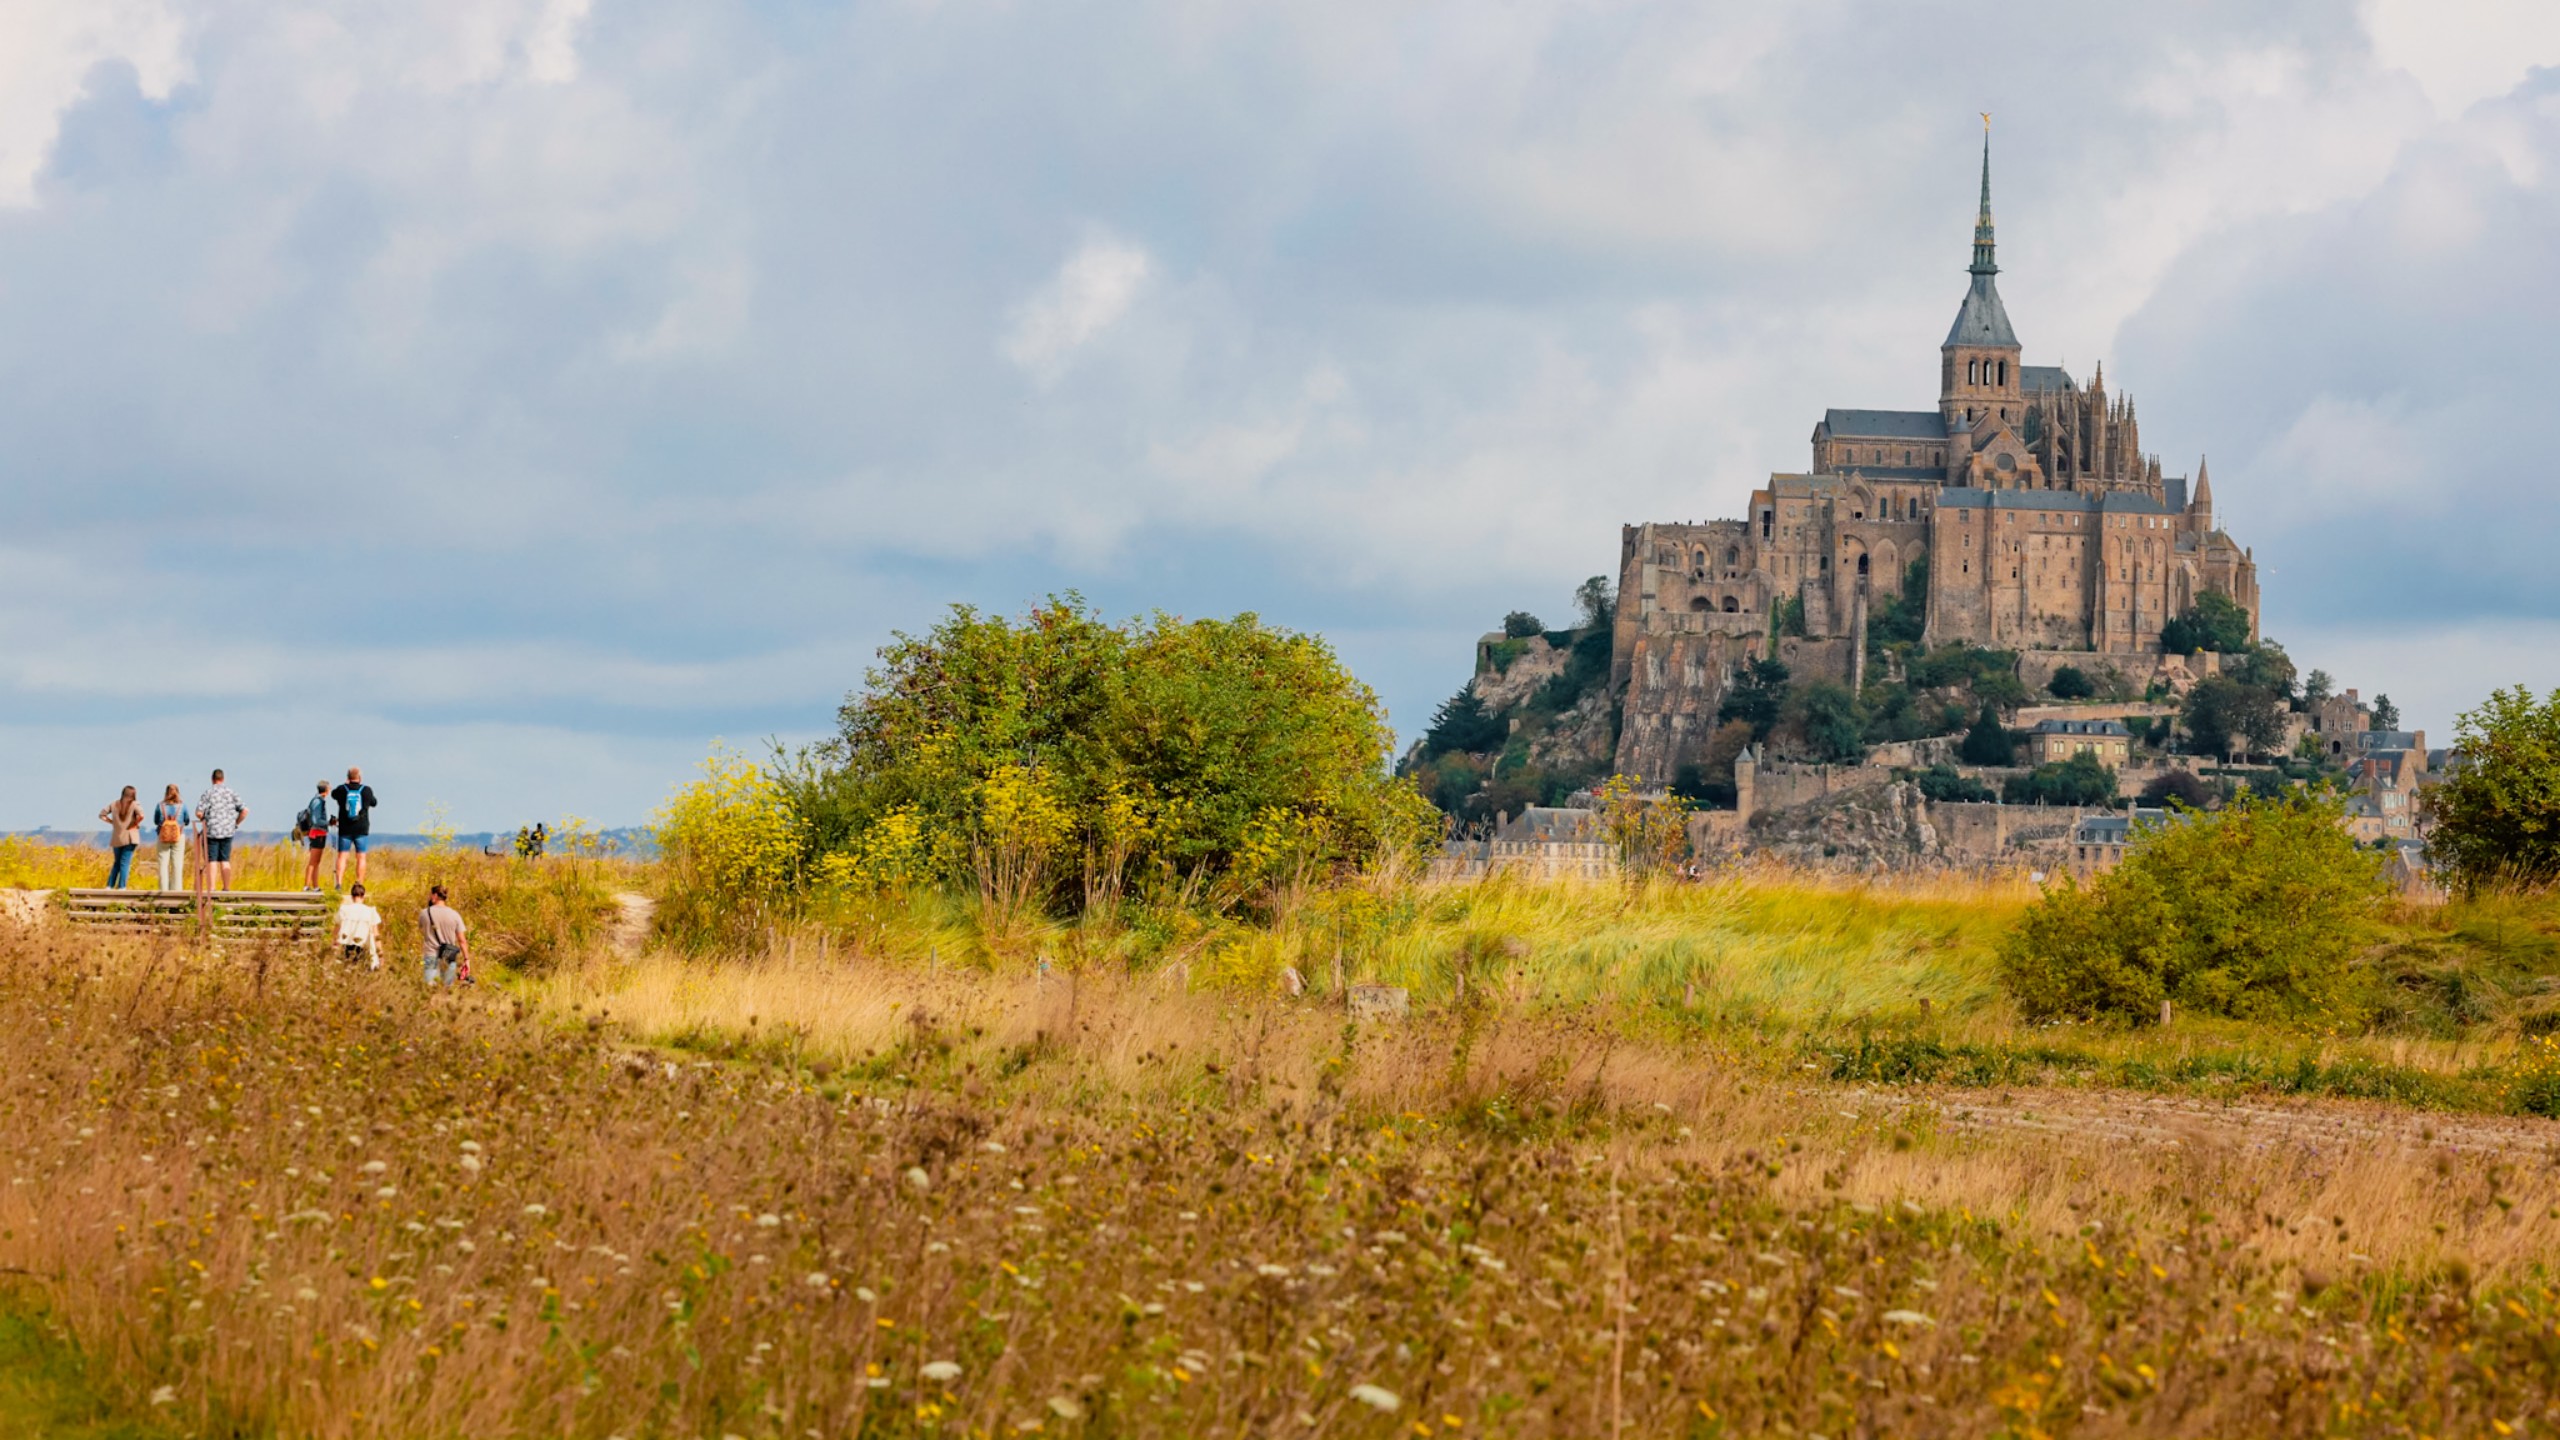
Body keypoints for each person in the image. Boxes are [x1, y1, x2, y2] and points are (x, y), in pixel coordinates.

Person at [195, 768, 246, 893]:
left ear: (212, 779)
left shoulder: (208, 793)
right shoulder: (231, 792)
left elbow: (198, 812)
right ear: (223, 779)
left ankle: (211, 888)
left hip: (212, 830)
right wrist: (235, 823)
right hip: (228, 830)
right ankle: (226, 888)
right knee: (225, 859)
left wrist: (204, 818)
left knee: (212, 860)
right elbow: (245, 811)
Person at [331, 767, 380, 887]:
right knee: (361, 857)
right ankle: (359, 882)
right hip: (361, 829)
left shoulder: (342, 789)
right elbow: (374, 802)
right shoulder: (366, 790)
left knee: (342, 856)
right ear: (360, 777)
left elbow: (333, 794)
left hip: (345, 829)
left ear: (348, 777)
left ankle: (339, 883)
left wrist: (345, 784)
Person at [420, 885, 471, 987]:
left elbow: (423, 931)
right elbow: (462, 941)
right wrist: (466, 959)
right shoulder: (455, 915)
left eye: (430, 895)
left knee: (430, 989)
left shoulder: (424, 913)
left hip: (430, 955)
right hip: (448, 956)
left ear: (434, 896)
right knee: (447, 989)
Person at [97, 786, 144, 889]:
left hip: (117, 837)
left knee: (117, 863)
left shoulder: (113, 804)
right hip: (131, 836)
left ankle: (109, 885)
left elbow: (102, 815)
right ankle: (122, 886)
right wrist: (134, 823)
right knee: (125, 863)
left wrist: (112, 822)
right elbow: (141, 815)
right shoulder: (135, 804)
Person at [335, 882, 384, 969]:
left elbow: (336, 931)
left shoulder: (344, 910)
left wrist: (334, 946)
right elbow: (376, 935)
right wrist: (380, 954)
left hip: (346, 947)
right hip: (364, 948)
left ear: (351, 896)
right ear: (363, 896)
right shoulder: (370, 912)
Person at [151, 784, 189, 891]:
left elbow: (155, 820)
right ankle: (176, 890)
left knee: (163, 863)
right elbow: (187, 820)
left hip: (163, 836)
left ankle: (163, 890)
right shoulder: (182, 806)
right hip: (178, 836)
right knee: (177, 863)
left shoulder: (160, 805)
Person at [298, 782, 333, 891]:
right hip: (318, 832)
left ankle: (315, 886)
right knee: (313, 861)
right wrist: (328, 823)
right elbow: (316, 820)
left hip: (316, 832)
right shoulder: (318, 802)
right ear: (326, 790)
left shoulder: (316, 800)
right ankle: (307, 885)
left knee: (316, 861)